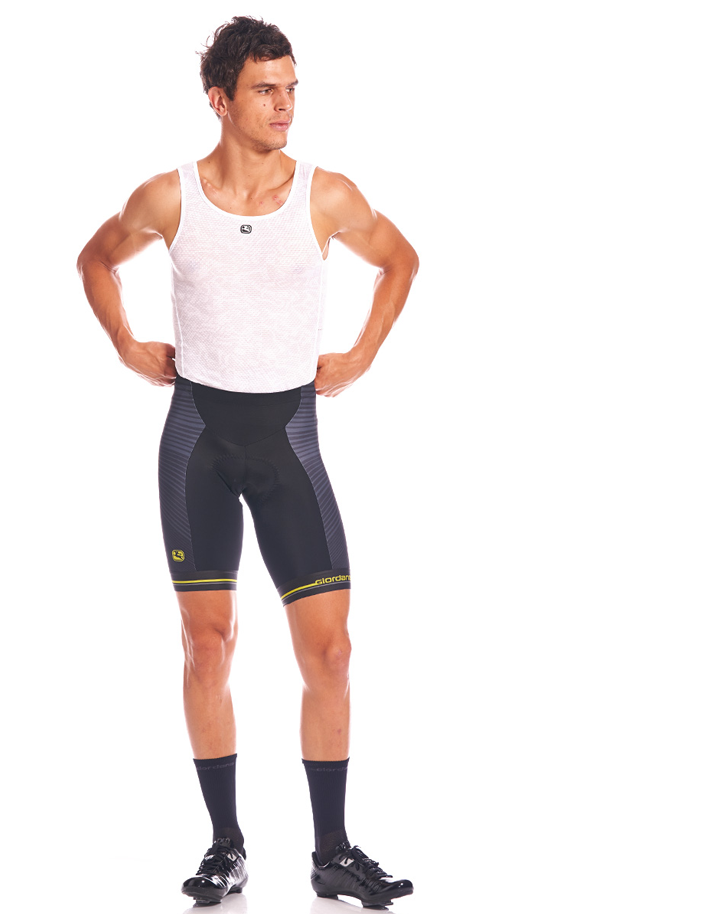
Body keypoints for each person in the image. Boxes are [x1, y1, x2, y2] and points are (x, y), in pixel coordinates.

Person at [77, 15, 419, 908]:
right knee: (207, 645)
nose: (285, 105)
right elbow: (96, 260)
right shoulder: (169, 198)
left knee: (332, 653)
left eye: (293, 88)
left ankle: (332, 851)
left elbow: (399, 260)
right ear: (220, 100)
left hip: (289, 446)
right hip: (199, 444)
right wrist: (125, 343)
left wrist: (362, 354)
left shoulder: (325, 195)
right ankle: (225, 845)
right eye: (267, 90)